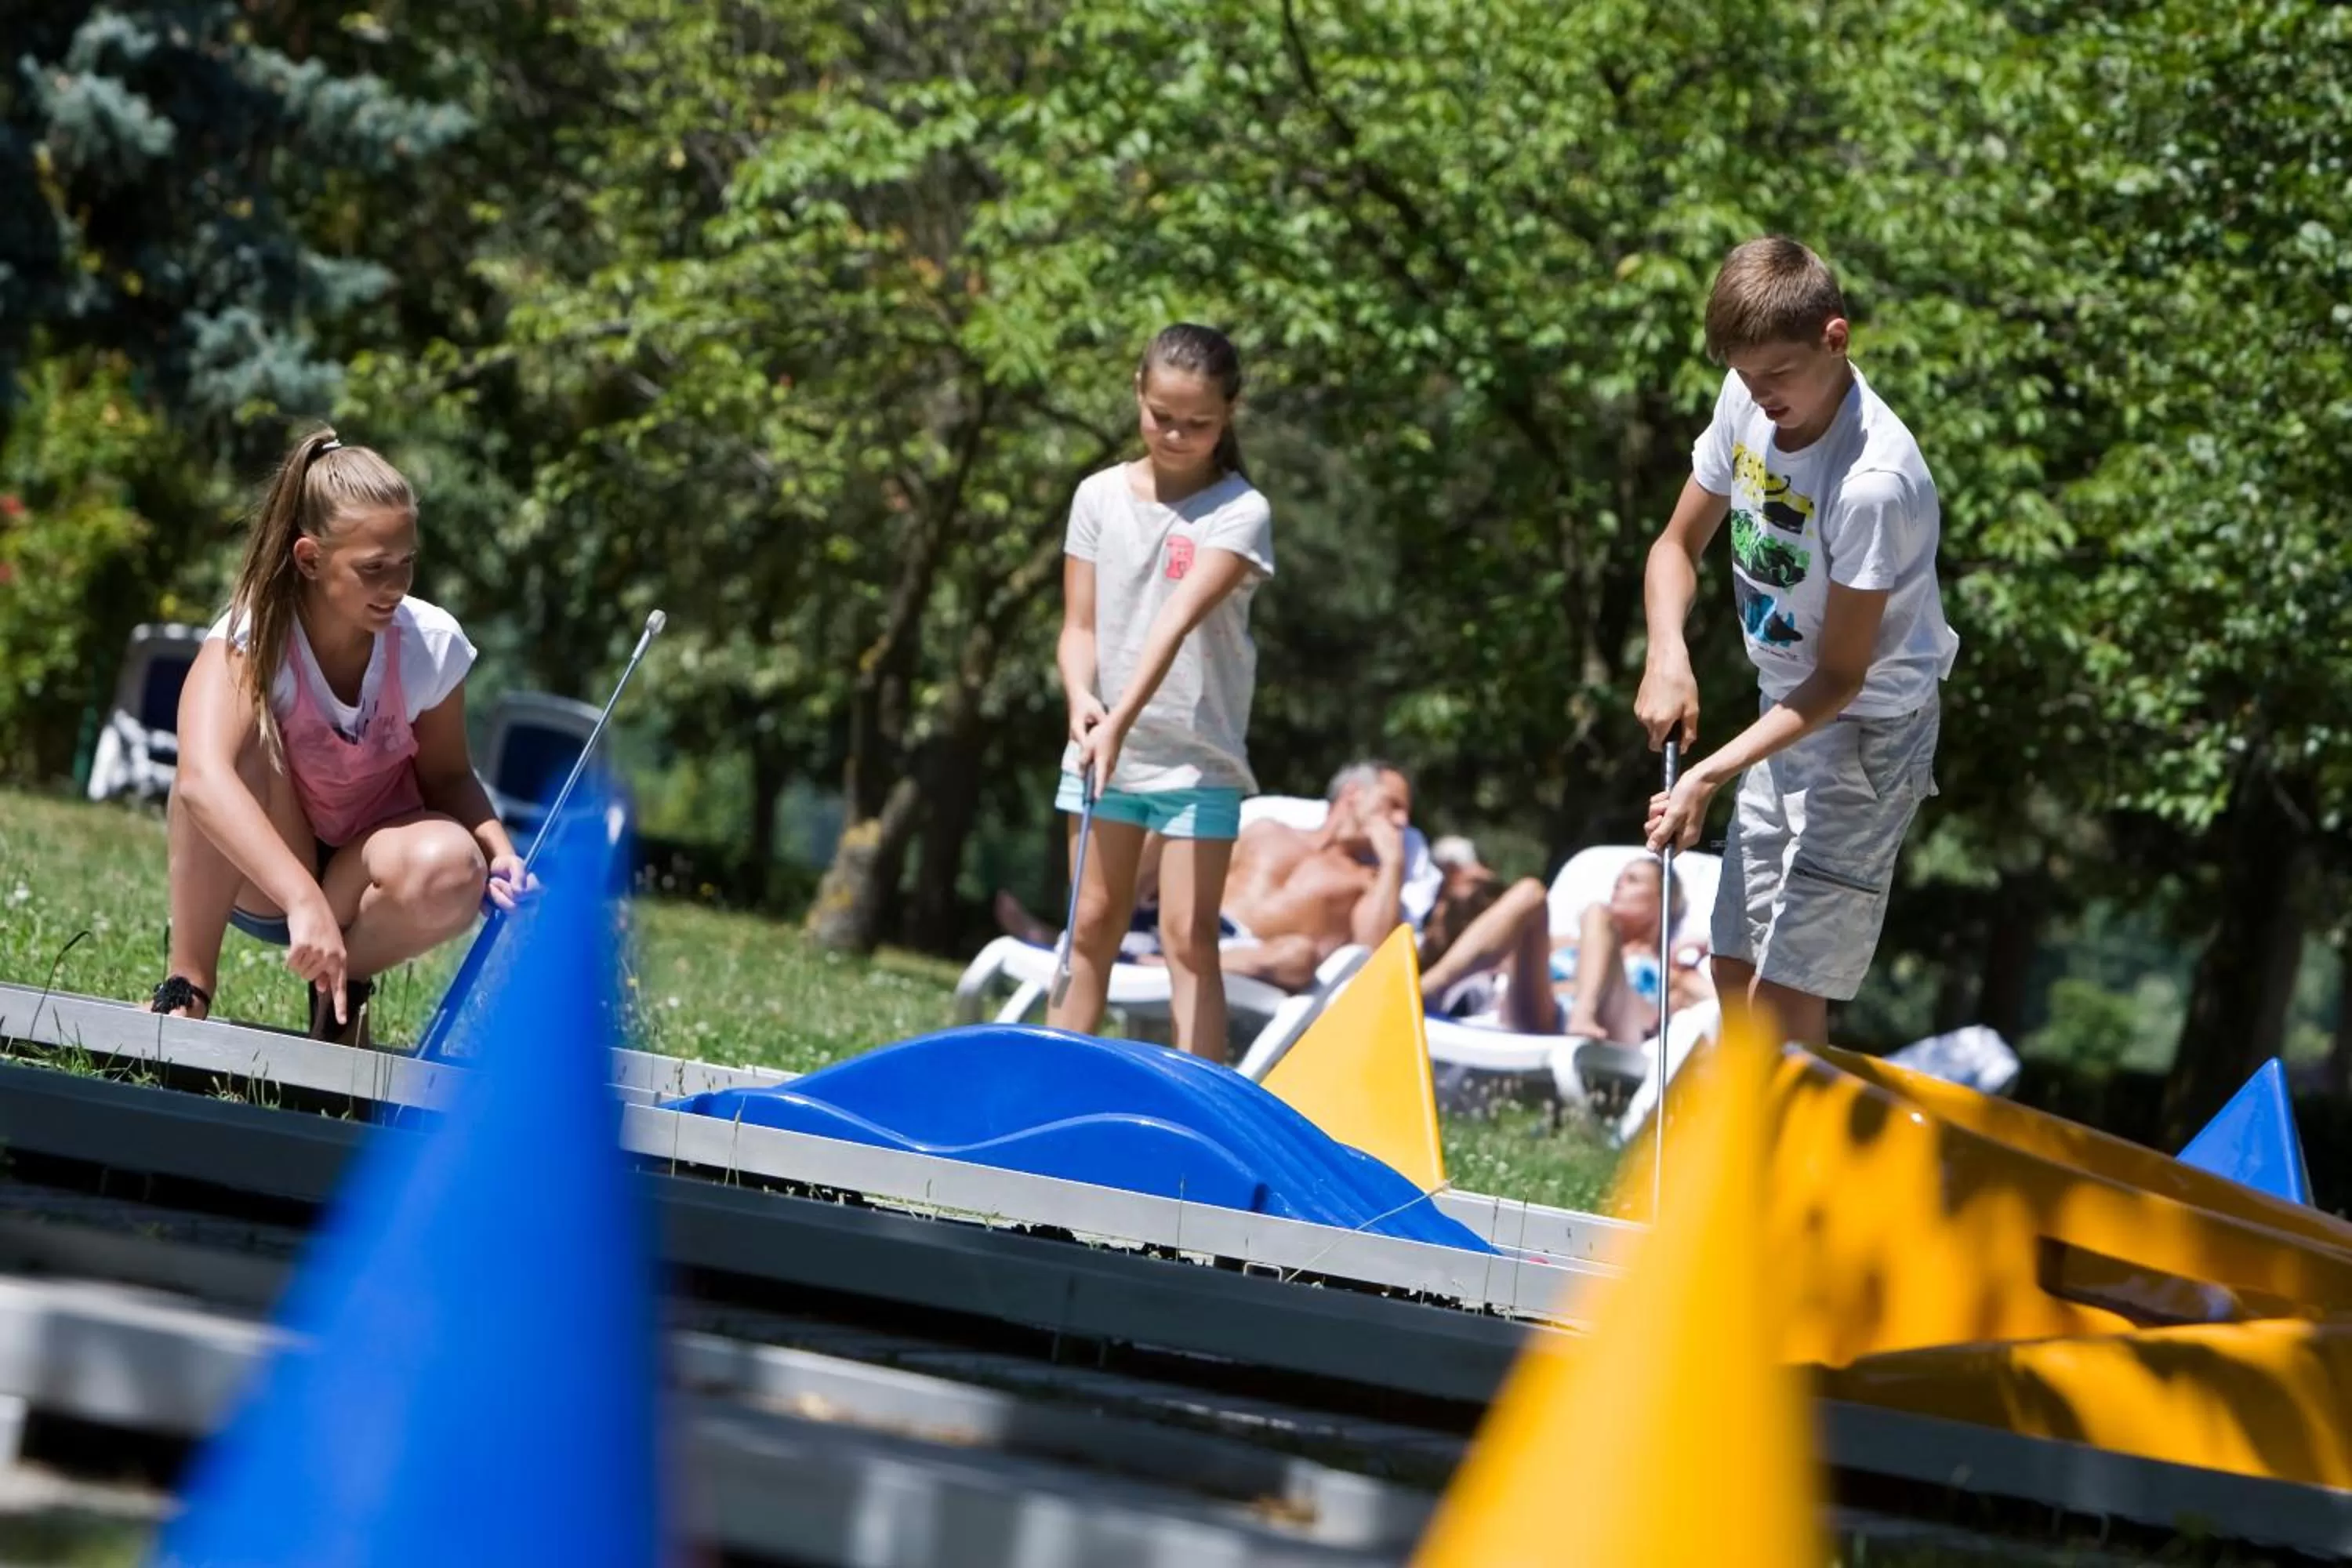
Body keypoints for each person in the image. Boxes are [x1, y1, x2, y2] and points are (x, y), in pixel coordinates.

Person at [1636, 237, 1959, 1046]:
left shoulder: (1871, 484)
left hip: (1867, 731)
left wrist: (1708, 771)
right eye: (1746, 376)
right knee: (1733, 966)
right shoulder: (1746, 399)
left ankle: (1787, 1168)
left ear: (1835, 337)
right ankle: (1751, 1156)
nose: (1760, 393)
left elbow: (1843, 676)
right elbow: (1675, 547)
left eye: (1778, 374)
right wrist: (1666, 653)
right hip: (1784, 707)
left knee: (1786, 992)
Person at [150, 428, 531, 1047]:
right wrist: (302, 899)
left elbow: (449, 778)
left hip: (367, 868)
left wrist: (499, 852)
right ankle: (186, 987)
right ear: (309, 559)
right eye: (373, 568)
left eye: (406, 561)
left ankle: (341, 992)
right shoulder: (252, 635)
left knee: (454, 864)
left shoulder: (429, 644)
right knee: (227, 754)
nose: (396, 584)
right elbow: (199, 778)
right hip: (270, 871)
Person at [1051, 324, 1276, 1058]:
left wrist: (1118, 722)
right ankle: (1053, 1094)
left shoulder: (1242, 512)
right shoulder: (1097, 497)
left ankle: (1196, 1117)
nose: (1176, 434)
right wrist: (1082, 698)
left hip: (1197, 756)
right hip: (1103, 748)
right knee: (1089, 926)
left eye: (1198, 423)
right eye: (1161, 416)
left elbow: (1174, 621)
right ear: (1138, 397)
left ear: (1229, 414)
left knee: (1187, 937)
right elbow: (1079, 626)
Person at [1417, 857, 1711, 1039]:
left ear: (1663, 900)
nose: (1617, 887)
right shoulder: (1570, 944)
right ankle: (1427, 988)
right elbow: (1499, 955)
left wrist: (1698, 953)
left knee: (1597, 913)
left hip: (1615, 1029)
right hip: (1543, 1013)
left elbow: (1719, 1007)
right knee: (1530, 891)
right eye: (1619, 880)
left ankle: (1585, 1011)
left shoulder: (1671, 971)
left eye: (1632, 881)